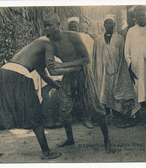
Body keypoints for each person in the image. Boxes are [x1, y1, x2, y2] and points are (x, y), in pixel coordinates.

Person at [0, 35, 81, 162]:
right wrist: (76, 68)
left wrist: (59, 88)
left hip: (5, 71)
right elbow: (53, 72)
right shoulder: (49, 42)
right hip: (19, 73)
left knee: (0, 109)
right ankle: (46, 152)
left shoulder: (36, 49)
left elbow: (45, 76)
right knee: (34, 111)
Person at [43, 13, 111, 153]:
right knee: (64, 108)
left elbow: (86, 60)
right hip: (69, 75)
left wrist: (63, 65)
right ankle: (70, 139)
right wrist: (68, 68)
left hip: (84, 74)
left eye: (50, 25)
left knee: (96, 108)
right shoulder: (49, 43)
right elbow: (52, 70)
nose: (48, 28)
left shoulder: (73, 36)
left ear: (58, 25)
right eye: (46, 25)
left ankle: (107, 140)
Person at [92, 14, 135, 128]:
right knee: (102, 94)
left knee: (115, 94)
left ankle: (118, 117)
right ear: (104, 25)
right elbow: (95, 57)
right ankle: (102, 118)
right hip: (101, 72)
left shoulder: (120, 39)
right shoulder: (98, 39)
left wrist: (122, 71)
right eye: (107, 23)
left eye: (111, 23)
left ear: (114, 24)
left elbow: (123, 56)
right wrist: (95, 72)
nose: (109, 25)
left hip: (116, 71)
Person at [67, 16, 95, 129]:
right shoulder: (64, 38)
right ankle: (73, 116)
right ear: (68, 28)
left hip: (82, 70)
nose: (73, 29)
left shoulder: (85, 37)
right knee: (71, 93)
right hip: (69, 71)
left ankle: (85, 117)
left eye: (75, 27)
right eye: (71, 27)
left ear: (78, 27)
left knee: (84, 93)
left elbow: (91, 53)